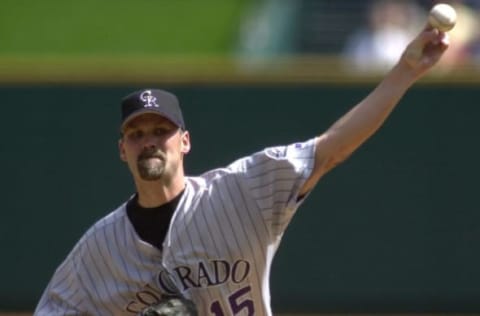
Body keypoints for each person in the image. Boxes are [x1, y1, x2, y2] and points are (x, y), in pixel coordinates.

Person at [34, 25, 450, 316]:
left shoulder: (241, 192)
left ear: (185, 142)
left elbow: (331, 150)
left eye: (161, 130)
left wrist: (405, 72)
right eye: (136, 133)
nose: (149, 141)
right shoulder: (100, 248)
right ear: (122, 150)